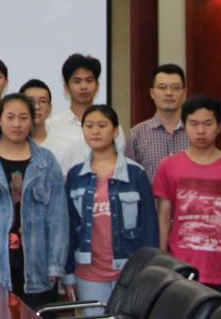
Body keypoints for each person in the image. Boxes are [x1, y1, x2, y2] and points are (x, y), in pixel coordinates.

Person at [154, 95, 221, 298]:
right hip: (180, 268)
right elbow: (163, 217)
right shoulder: (168, 166)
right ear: (184, 126)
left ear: (219, 127)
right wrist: (162, 261)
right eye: (193, 124)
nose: (200, 131)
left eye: (207, 124)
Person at [0, 93, 67, 307]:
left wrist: (55, 264)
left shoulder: (46, 162)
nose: (17, 124)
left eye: (23, 118)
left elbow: (58, 218)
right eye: (10, 117)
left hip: (37, 266)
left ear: (32, 120)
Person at [63, 105, 158, 315]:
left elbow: (149, 228)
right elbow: (69, 227)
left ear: (115, 131)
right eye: (89, 126)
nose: (95, 131)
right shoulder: (75, 175)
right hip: (88, 272)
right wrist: (68, 273)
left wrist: (150, 273)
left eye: (102, 125)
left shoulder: (135, 173)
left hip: (130, 270)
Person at [44, 54, 125, 177]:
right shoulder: (51, 126)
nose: (83, 86)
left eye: (89, 80)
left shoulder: (111, 126)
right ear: (66, 87)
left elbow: (120, 162)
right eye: (77, 81)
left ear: (97, 86)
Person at [124, 64, 189, 183]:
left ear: (184, 93)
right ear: (152, 93)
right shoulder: (137, 134)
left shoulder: (195, 132)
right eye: (162, 87)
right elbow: (129, 179)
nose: (169, 93)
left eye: (175, 88)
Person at [18, 79, 53, 147]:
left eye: (42, 101)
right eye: (30, 101)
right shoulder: (7, 144)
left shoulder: (64, 146)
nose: (37, 107)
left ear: (50, 108)